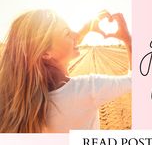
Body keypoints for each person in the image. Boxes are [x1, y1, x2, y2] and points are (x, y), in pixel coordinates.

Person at [0, 9, 131, 132]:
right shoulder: (89, 88)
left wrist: (86, 29)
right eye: (67, 33)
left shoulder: (23, 99)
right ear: (46, 53)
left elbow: (58, 47)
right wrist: (128, 40)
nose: (75, 35)